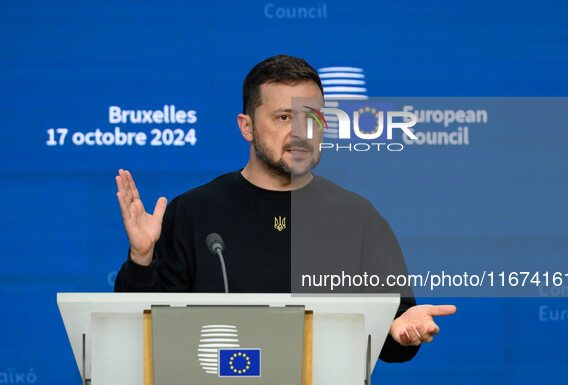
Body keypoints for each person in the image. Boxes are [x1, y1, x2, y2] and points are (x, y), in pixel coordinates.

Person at [114, 54, 456, 362]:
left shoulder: (357, 217)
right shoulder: (193, 211)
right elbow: (141, 329)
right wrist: (142, 258)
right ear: (246, 126)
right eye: (282, 117)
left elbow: (396, 331)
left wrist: (403, 331)